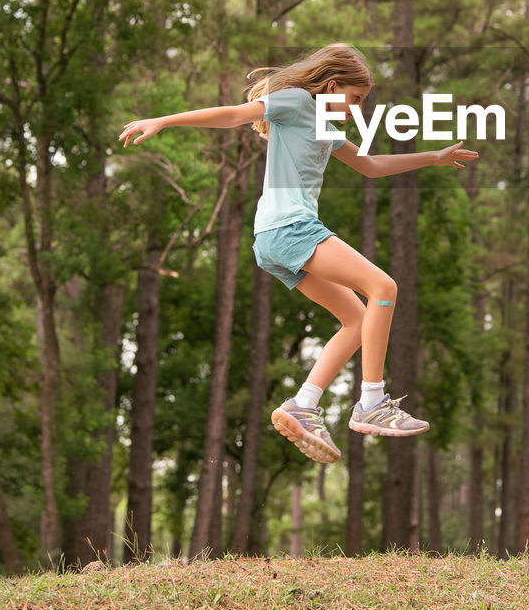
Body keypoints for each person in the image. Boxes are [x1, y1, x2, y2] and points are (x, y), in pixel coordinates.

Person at [119, 42, 478, 465]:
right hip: (290, 229)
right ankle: (372, 402)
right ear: (331, 85)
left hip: (274, 239)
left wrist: (433, 158)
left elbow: (371, 166)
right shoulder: (294, 101)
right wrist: (163, 120)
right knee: (383, 286)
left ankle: (303, 405)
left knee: (358, 319)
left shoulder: (324, 121)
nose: (358, 109)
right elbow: (235, 115)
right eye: (356, 98)